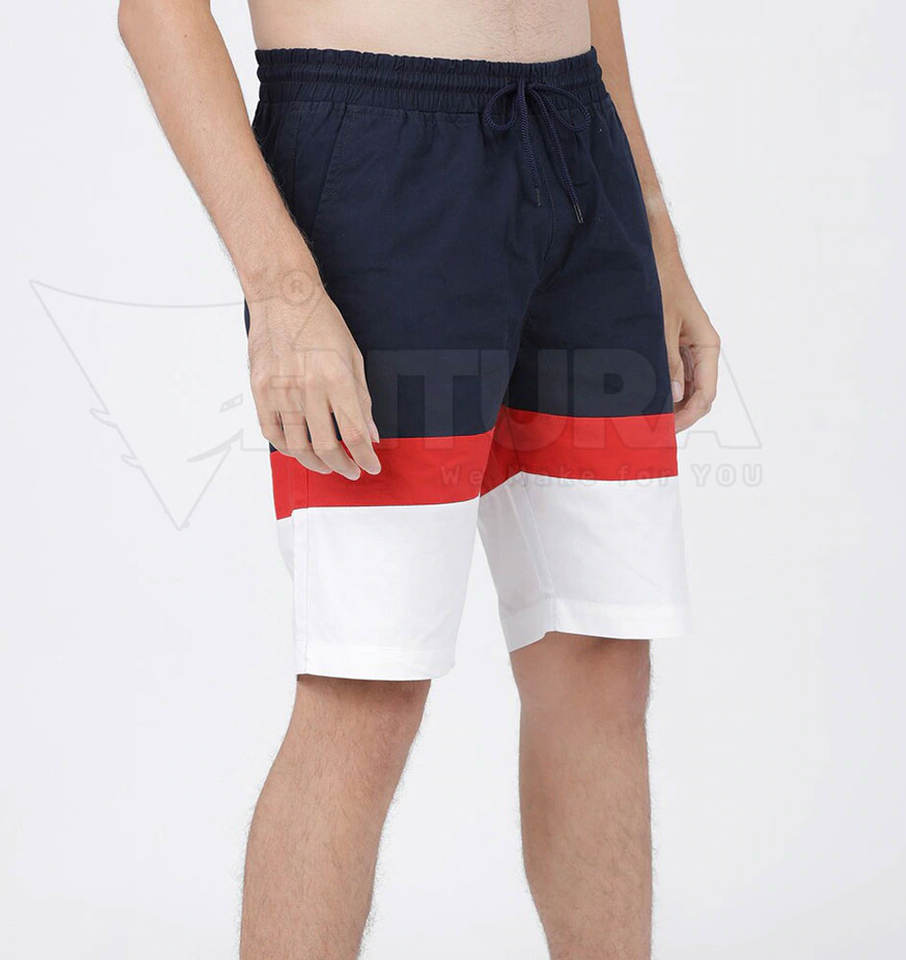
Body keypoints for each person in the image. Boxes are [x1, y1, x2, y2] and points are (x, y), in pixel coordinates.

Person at [119, 0, 720, 955]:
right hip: (381, 161)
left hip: (581, 151)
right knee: (369, 680)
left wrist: (656, 232)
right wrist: (281, 293)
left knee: (601, 651)